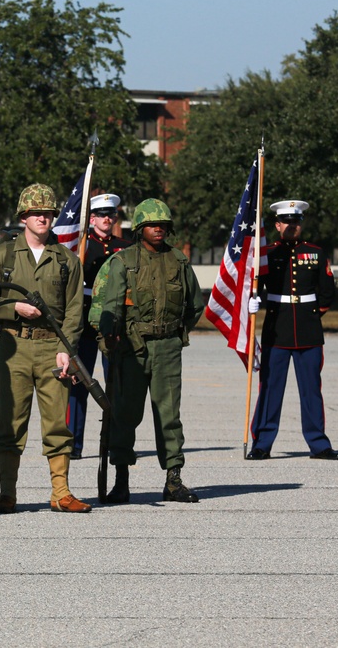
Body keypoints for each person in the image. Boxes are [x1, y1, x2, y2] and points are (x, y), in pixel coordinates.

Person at [0, 183, 91, 515]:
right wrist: (14, 308)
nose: (43, 217)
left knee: (57, 422)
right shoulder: (3, 256)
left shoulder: (66, 260)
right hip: (14, 347)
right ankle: (7, 493)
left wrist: (67, 348)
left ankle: (61, 492)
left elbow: (74, 310)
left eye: (48, 213)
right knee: (10, 421)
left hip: (53, 348)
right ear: (24, 216)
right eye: (36, 213)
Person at [96, 199, 204, 503]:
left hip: (168, 348)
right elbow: (112, 305)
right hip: (132, 349)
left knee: (169, 415)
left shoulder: (178, 261)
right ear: (140, 228)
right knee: (124, 414)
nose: (159, 230)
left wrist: (175, 333)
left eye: (163, 225)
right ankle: (121, 480)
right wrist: (110, 336)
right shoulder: (123, 261)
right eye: (153, 225)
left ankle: (173, 480)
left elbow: (195, 305)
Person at [246, 200, 338, 460]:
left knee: (311, 389)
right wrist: (254, 300)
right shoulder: (267, 253)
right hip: (277, 329)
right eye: (286, 221)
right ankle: (262, 443)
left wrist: (313, 314)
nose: (291, 226)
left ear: (301, 224)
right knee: (270, 388)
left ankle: (319, 444)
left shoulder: (316, 252)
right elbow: (255, 286)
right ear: (277, 225)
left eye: (296, 221)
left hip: (309, 330)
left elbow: (327, 292)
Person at [66, 194, 131, 459]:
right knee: (79, 381)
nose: (107, 219)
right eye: (102, 215)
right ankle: (73, 443)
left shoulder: (125, 247)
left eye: (111, 214)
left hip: (113, 319)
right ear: (91, 219)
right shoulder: (80, 245)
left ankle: (114, 441)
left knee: (115, 383)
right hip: (84, 319)